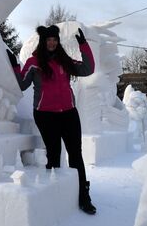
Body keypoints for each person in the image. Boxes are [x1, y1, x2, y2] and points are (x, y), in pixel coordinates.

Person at [6, 25, 96, 214]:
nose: (52, 42)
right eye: (48, 40)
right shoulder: (34, 62)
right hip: (45, 115)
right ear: (43, 41)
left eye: (55, 39)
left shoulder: (65, 61)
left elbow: (88, 69)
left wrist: (83, 45)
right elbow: (22, 84)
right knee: (53, 154)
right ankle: (55, 194)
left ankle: (83, 196)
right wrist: (15, 66)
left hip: (69, 113)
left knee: (76, 155)